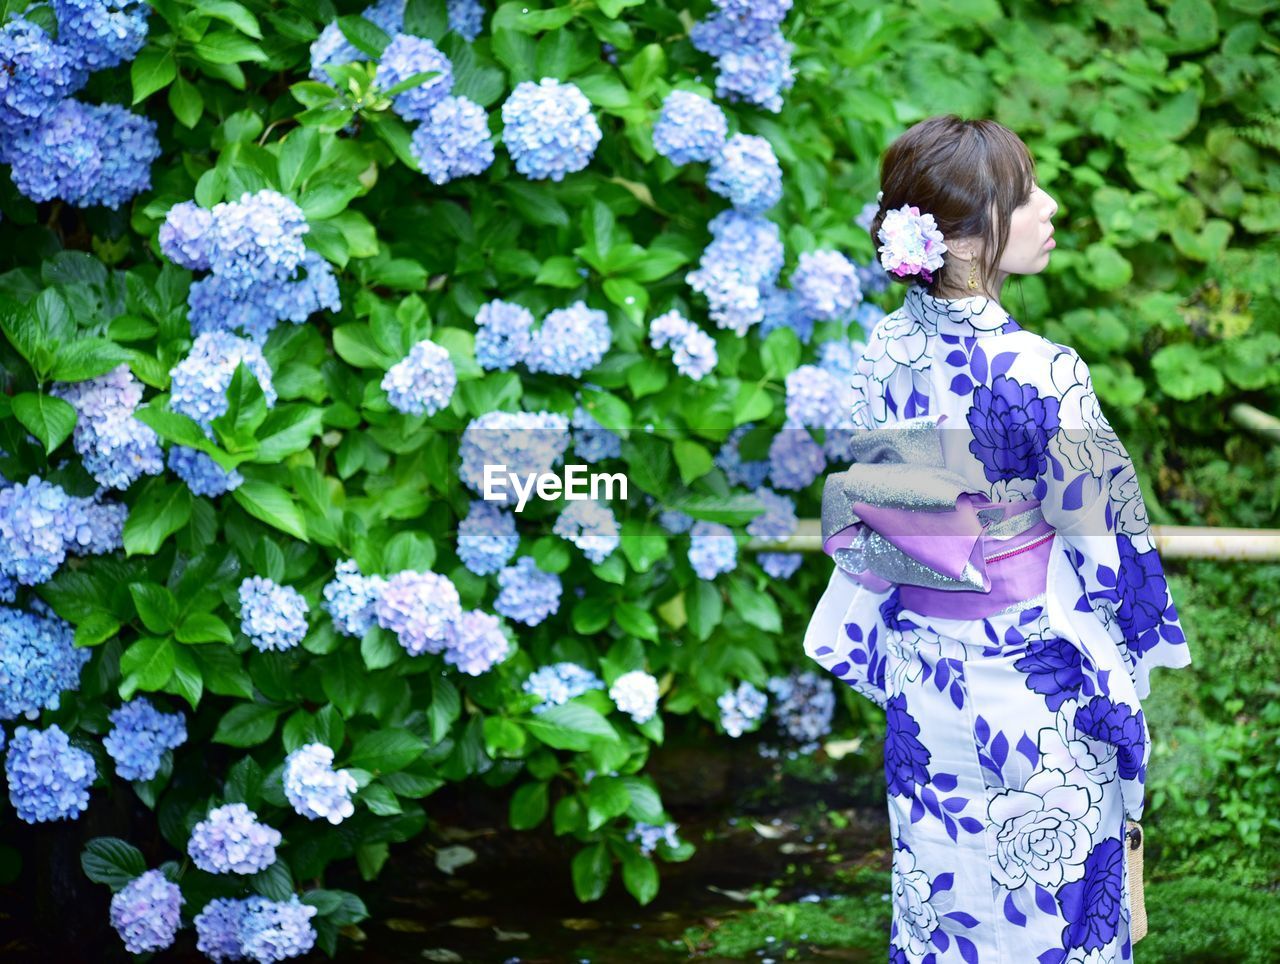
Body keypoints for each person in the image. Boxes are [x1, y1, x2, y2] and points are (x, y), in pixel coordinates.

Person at [802, 115, 1193, 963]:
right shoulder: (1044, 370)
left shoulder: (885, 349)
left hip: (926, 683)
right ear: (966, 236)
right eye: (1025, 196)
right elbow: (1106, 540)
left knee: (948, 909)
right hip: (1034, 686)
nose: (1050, 207)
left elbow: (886, 530)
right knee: (1051, 906)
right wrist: (1127, 663)